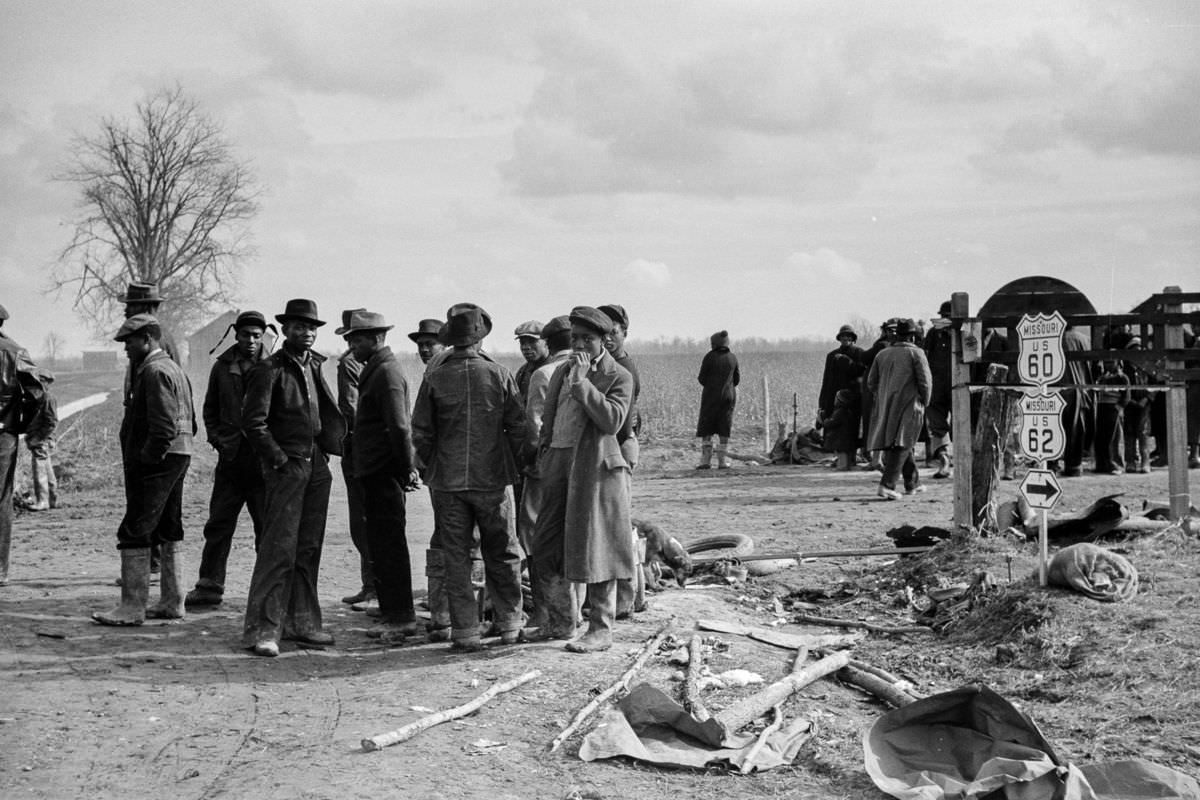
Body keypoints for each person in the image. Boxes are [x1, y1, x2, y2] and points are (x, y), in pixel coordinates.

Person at [412, 304, 526, 651]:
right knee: (503, 551)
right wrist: (514, 462)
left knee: (455, 557)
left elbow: (421, 432)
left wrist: (431, 465)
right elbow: (518, 427)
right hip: (491, 479)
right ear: (479, 338)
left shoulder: (435, 375)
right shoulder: (500, 374)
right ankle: (509, 624)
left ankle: (465, 631)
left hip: (448, 483)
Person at [240, 299, 345, 657]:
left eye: (313, 327)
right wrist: (279, 459)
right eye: (299, 326)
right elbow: (253, 423)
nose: (308, 332)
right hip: (287, 467)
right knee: (278, 549)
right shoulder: (269, 369)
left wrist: (325, 450)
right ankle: (264, 630)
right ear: (285, 330)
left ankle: (303, 622)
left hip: (316, 463)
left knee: (308, 547)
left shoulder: (314, 365)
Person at [529, 306, 634, 653]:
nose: (580, 345)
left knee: (596, 548)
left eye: (587, 339)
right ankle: (560, 622)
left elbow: (612, 421)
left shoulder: (618, 375)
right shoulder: (562, 370)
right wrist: (545, 453)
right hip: (559, 462)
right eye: (575, 338)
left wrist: (584, 383)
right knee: (544, 546)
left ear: (603, 340)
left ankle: (600, 630)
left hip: (594, 470)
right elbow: (549, 416)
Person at [93, 314, 196, 625]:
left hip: (161, 460)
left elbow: (163, 427)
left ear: (149, 338)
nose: (126, 347)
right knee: (169, 527)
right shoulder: (173, 368)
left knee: (135, 528)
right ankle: (172, 601)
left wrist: (147, 460)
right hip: (180, 454)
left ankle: (131, 608)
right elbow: (190, 423)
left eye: (130, 340)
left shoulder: (153, 371)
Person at [345, 310, 421, 643]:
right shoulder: (375, 371)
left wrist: (405, 469)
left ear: (377, 339)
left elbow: (400, 427)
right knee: (381, 543)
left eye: (357, 339)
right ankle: (392, 611)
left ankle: (402, 617)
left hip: (385, 473)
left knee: (390, 545)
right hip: (376, 471)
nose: (351, 346)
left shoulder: (387, 373)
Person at [185, 310, 270, 608]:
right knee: (219, 524)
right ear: (236, 335)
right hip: (231, 462)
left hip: (262, 464)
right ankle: (209, 586)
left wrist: (271, 450)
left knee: (267, 528)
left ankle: (268, 591)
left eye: (256, 336)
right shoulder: (222, 367)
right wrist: (220, 441)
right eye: (246, 335)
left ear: (264, 337)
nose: (250, 341)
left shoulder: (274, 367)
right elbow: (210, 410)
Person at [518, 315, 572, 628]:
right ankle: (572, 613)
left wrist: (529, 463)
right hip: (577, 469)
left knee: (534, 538)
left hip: (544, 467)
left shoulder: (543, 374)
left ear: (547, 343)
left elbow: (534, 428)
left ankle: (543, 613)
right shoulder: (589, 370)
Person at [598, 303, 643, 617]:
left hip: (620, 445)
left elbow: (623, 422)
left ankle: (627, 598)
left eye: (614, 333)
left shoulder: (623, 368)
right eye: (605, 333)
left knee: (619, 526)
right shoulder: (608, 365)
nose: (609, 339)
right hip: (613, 445)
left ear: (625, 333)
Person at [333, 309, 374, 609]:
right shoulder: (378, 362)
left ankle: (372, 587)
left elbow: (351, 410)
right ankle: (370, 585)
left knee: (363, 520)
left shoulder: (349, 363)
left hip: (359, 450)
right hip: (371, 449)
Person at [866, 318, 932, 500]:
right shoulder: (916, 353)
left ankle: (913, 483)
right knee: (903, 443)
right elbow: (925, 382)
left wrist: (883, 396)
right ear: (912, 336)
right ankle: (887, 485)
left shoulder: (882, 354)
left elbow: (871, 382)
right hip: (909, 404)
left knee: (902, 441)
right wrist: (925, 402)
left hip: (886, 405)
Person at [0, 303, 39, 585]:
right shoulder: (16, 352)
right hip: (4, 434)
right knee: (1, 499)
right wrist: (21, 425)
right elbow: (37, 394)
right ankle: (0, 569)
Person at [694, 330, 740, 470]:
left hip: (711, 397)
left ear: (714, 344)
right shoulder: (733, 358)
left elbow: (701, 378)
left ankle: (706, 461)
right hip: (728, 398)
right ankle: (722, 461)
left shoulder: (709, 357)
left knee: (707, 427)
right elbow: (737, 380)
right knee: (724, 427)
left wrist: (712, 387)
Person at [1057, 324, 1095, 477]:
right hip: (1081, 388)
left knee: (1056, 428)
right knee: (1077, 430)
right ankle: (1074, 466)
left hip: (1060, 389)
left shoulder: (1057, 338)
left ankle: (1052, 464)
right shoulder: (1085, 339)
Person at [859, 319, 897, 471]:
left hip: (882, 390)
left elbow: (865, 358)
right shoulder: (901, 347)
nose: (891, 333)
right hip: (887, 389)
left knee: (879, 422)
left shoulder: (881, 346)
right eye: (889, 330)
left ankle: (877, 459)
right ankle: (879, 459)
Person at [923, 301, 954, 478]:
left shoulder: (966, 332)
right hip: (937, 387)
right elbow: (925, 359)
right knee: (937, 425)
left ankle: (963, 460)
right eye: (943, 316)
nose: (945, 320)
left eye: (949, 316)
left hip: (959, 387)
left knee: (961, 424)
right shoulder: (934, 333)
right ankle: (944, 460)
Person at [22, 367, 58, 511]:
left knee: (39, 470)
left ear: (47, 382)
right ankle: (52, 500)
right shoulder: (40, 398)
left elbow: (52, 422)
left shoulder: (47, 398)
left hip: (41, 440)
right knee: (47, 469)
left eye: (42, 380)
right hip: (42, 439)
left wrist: (37, 438)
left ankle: (42, 501)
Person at [1094, 359, 1130, 474]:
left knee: (1114, 437)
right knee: (1101, 438)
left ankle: (1117, 465)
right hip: (1101, 407)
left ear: (1118, 363)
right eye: (1106, 362)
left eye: (1111, 362)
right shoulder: (1102, 377)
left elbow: (1127, 395)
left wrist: (1119, 408)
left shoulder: (1122, 377)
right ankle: (1102, 464)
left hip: (1114, 407)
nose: (1108, 364)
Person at [1123, 338, 1151, 474]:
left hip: (1144, 405)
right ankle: (1130, 461)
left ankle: (1145, 461)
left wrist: (1147, 398)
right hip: (1129, 405)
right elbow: (1122, 388)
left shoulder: (1146, 368)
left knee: (1143, 432)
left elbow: (1154, 385)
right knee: (1129, 433)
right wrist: (1130, 401)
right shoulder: (1125, 370)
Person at [822, 388, 860, 471]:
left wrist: (823, 420)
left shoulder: (839, 413)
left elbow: (830, 423)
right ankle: (846, 465)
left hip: (841, 439)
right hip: (847, 439)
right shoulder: (848, 412)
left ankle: (842, 466)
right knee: (846, 454)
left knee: (842, 453)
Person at [513, 320, 548, 399]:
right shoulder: (523, 372)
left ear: (546, 342)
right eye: (522, 343)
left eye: (532, 341)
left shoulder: (556, 369)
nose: (526, 347)